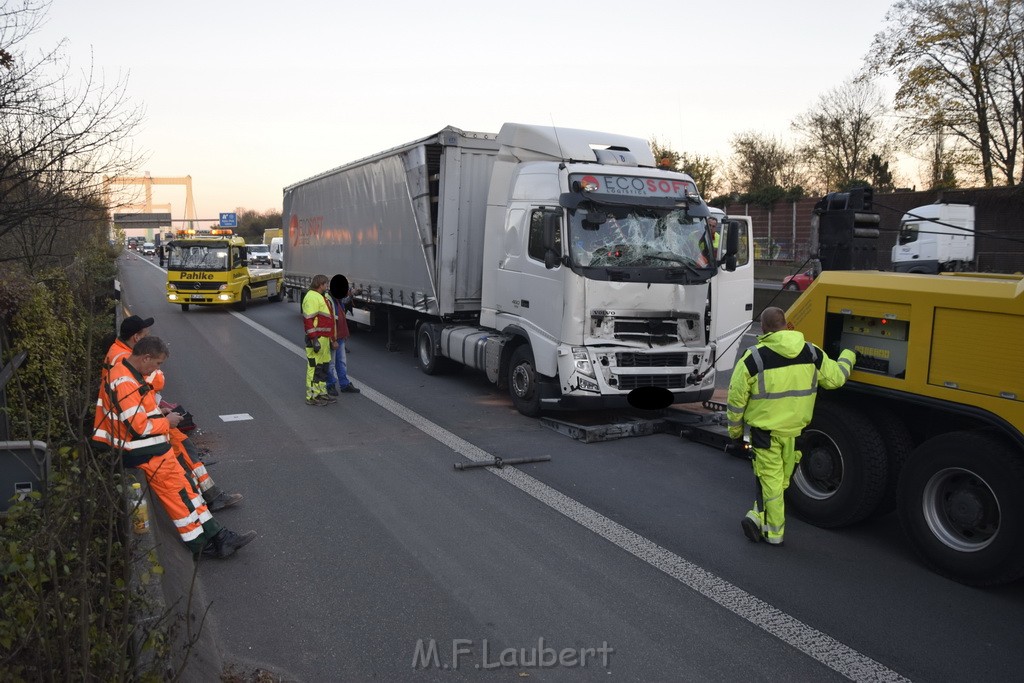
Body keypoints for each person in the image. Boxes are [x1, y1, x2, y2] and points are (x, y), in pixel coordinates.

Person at [93, 336, 255, 559]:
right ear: (145, 357)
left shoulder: (128, 375)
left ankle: (220, 537)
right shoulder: (124, 381)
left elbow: (138, 414)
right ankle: (202, 546)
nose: (156, 370)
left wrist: (162, 414)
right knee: (181, 498)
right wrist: (166, 422)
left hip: (150, 449)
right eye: (157, 364)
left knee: (189, 491)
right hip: (144, 452)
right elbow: (138, 426)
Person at [726, 306, 856, 546]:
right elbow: (836, 379)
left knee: (772, 482)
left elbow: (735, 402)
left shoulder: (753, 358)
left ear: (763, 328)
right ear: (786, 324)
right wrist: (849, 355)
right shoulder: (812, 352)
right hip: (796, 432)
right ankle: (758, 516)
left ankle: (772, 532)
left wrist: (734, 434)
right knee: (779, 481)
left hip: (766, 435)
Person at [101, 315, 243, 512]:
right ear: (136, 338)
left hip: (142, 419)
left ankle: (208, 496)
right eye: (145, 335)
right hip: (140, 429)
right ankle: (208, 498)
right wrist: (162, 416)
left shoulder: (119, 352)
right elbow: (155, 382)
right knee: (184, 451)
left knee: (184, 452)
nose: (157, 367)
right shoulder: (124, 358)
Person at [302, 274, 336, 406]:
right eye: (326, 284)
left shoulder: (321, 296)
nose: (327, 286)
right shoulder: (311, 297)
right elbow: (308, 320)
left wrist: (332, 339)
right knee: (314, 368)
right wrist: (314, 339)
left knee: (323, 368)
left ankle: (321, 393)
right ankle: (311, 397)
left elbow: (328, 320)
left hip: (324, 339)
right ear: (320, 284)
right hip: (317, 339)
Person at [325, 274, 361, 396]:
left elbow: (345, 301)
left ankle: (344, 384)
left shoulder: (337, 298)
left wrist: (351, 294)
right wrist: (332, 339)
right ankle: (330, 385)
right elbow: (328, 322)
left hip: (340, 336)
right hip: (333, 337)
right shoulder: (328, 300)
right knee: (331, 363)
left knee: (341, 361)